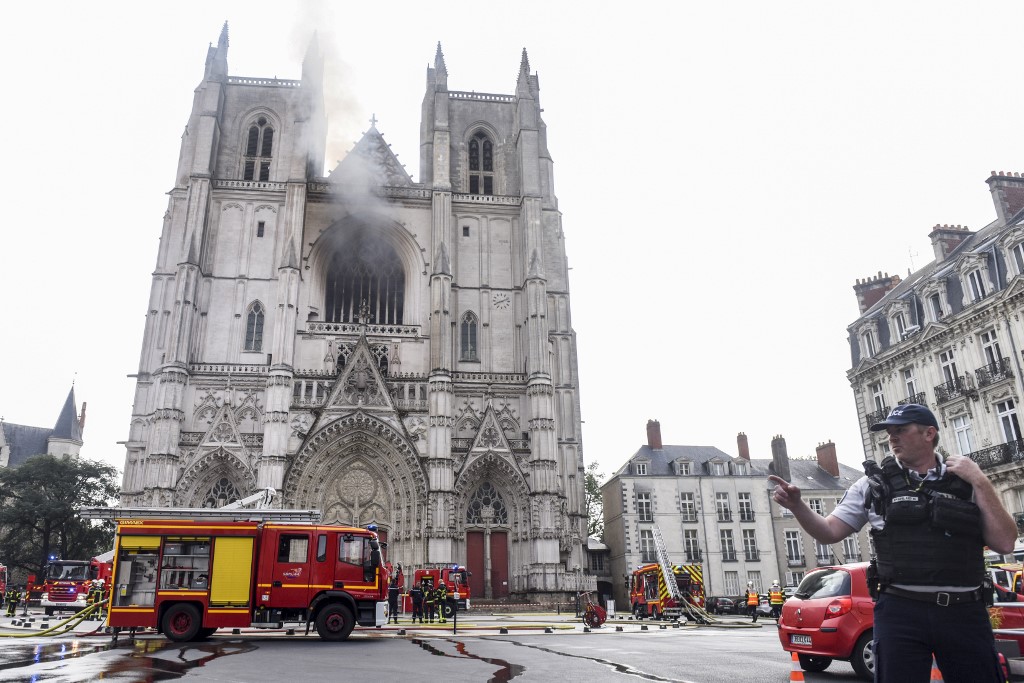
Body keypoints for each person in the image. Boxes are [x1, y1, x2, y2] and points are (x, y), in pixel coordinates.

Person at [769, 404, 1017, 683]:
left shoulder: (966, 480)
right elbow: (829, 531)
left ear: (929, 433)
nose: (892, 438)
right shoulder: (873, 485)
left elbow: (1006, 542)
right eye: (889, 432)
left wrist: (981, 481)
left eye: (901, 430)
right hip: (901, 611)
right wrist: (798, 505)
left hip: (963, 612)